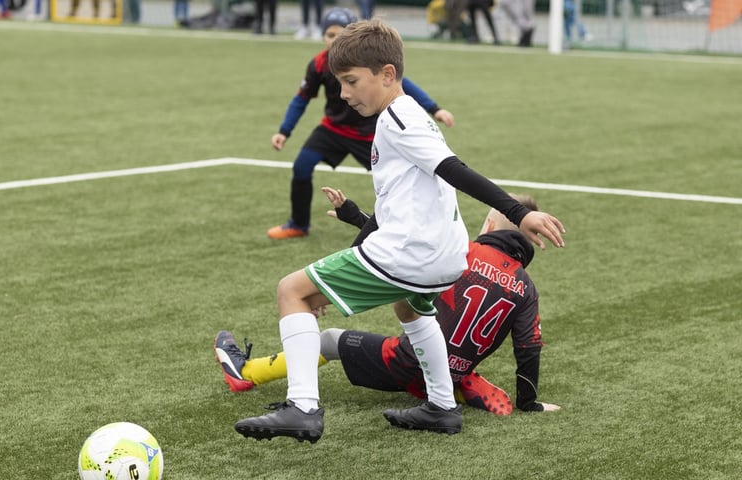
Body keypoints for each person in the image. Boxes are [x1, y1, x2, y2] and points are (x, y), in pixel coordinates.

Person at [233, 19, 565, 443]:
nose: (344, 94)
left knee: (291, 291)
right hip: (445, 257)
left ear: (387, 74)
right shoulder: (407, 116)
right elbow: (403, 207)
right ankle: (442, 407)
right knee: (410, 307)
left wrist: (518, 213)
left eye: (351, 82)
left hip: (413, 254)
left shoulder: (398, 119)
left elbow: (454, 170)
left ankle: (302, 408)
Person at [217, 189, 561, 416]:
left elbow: (404, 248)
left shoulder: (461, 254)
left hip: (405, 363)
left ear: (488, 223)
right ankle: (459, 383)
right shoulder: (526, 288)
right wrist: (528, 403)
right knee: (441, 351)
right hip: (449, 366)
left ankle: (247, 373)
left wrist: (355, 225)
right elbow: (529, 348)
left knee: (330, 339)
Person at [267, 7, 456, 240]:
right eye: (329, 35)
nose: (334, 40)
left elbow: (405, 83)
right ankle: (298, 224)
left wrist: (435, 109)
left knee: (394, 180)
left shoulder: (366, 63)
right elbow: (302, 98)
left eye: (340, 34)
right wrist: (284, 131)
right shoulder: (317, 64)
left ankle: (406, 227)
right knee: (302, 167)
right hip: (332, 129)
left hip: (369, 134)